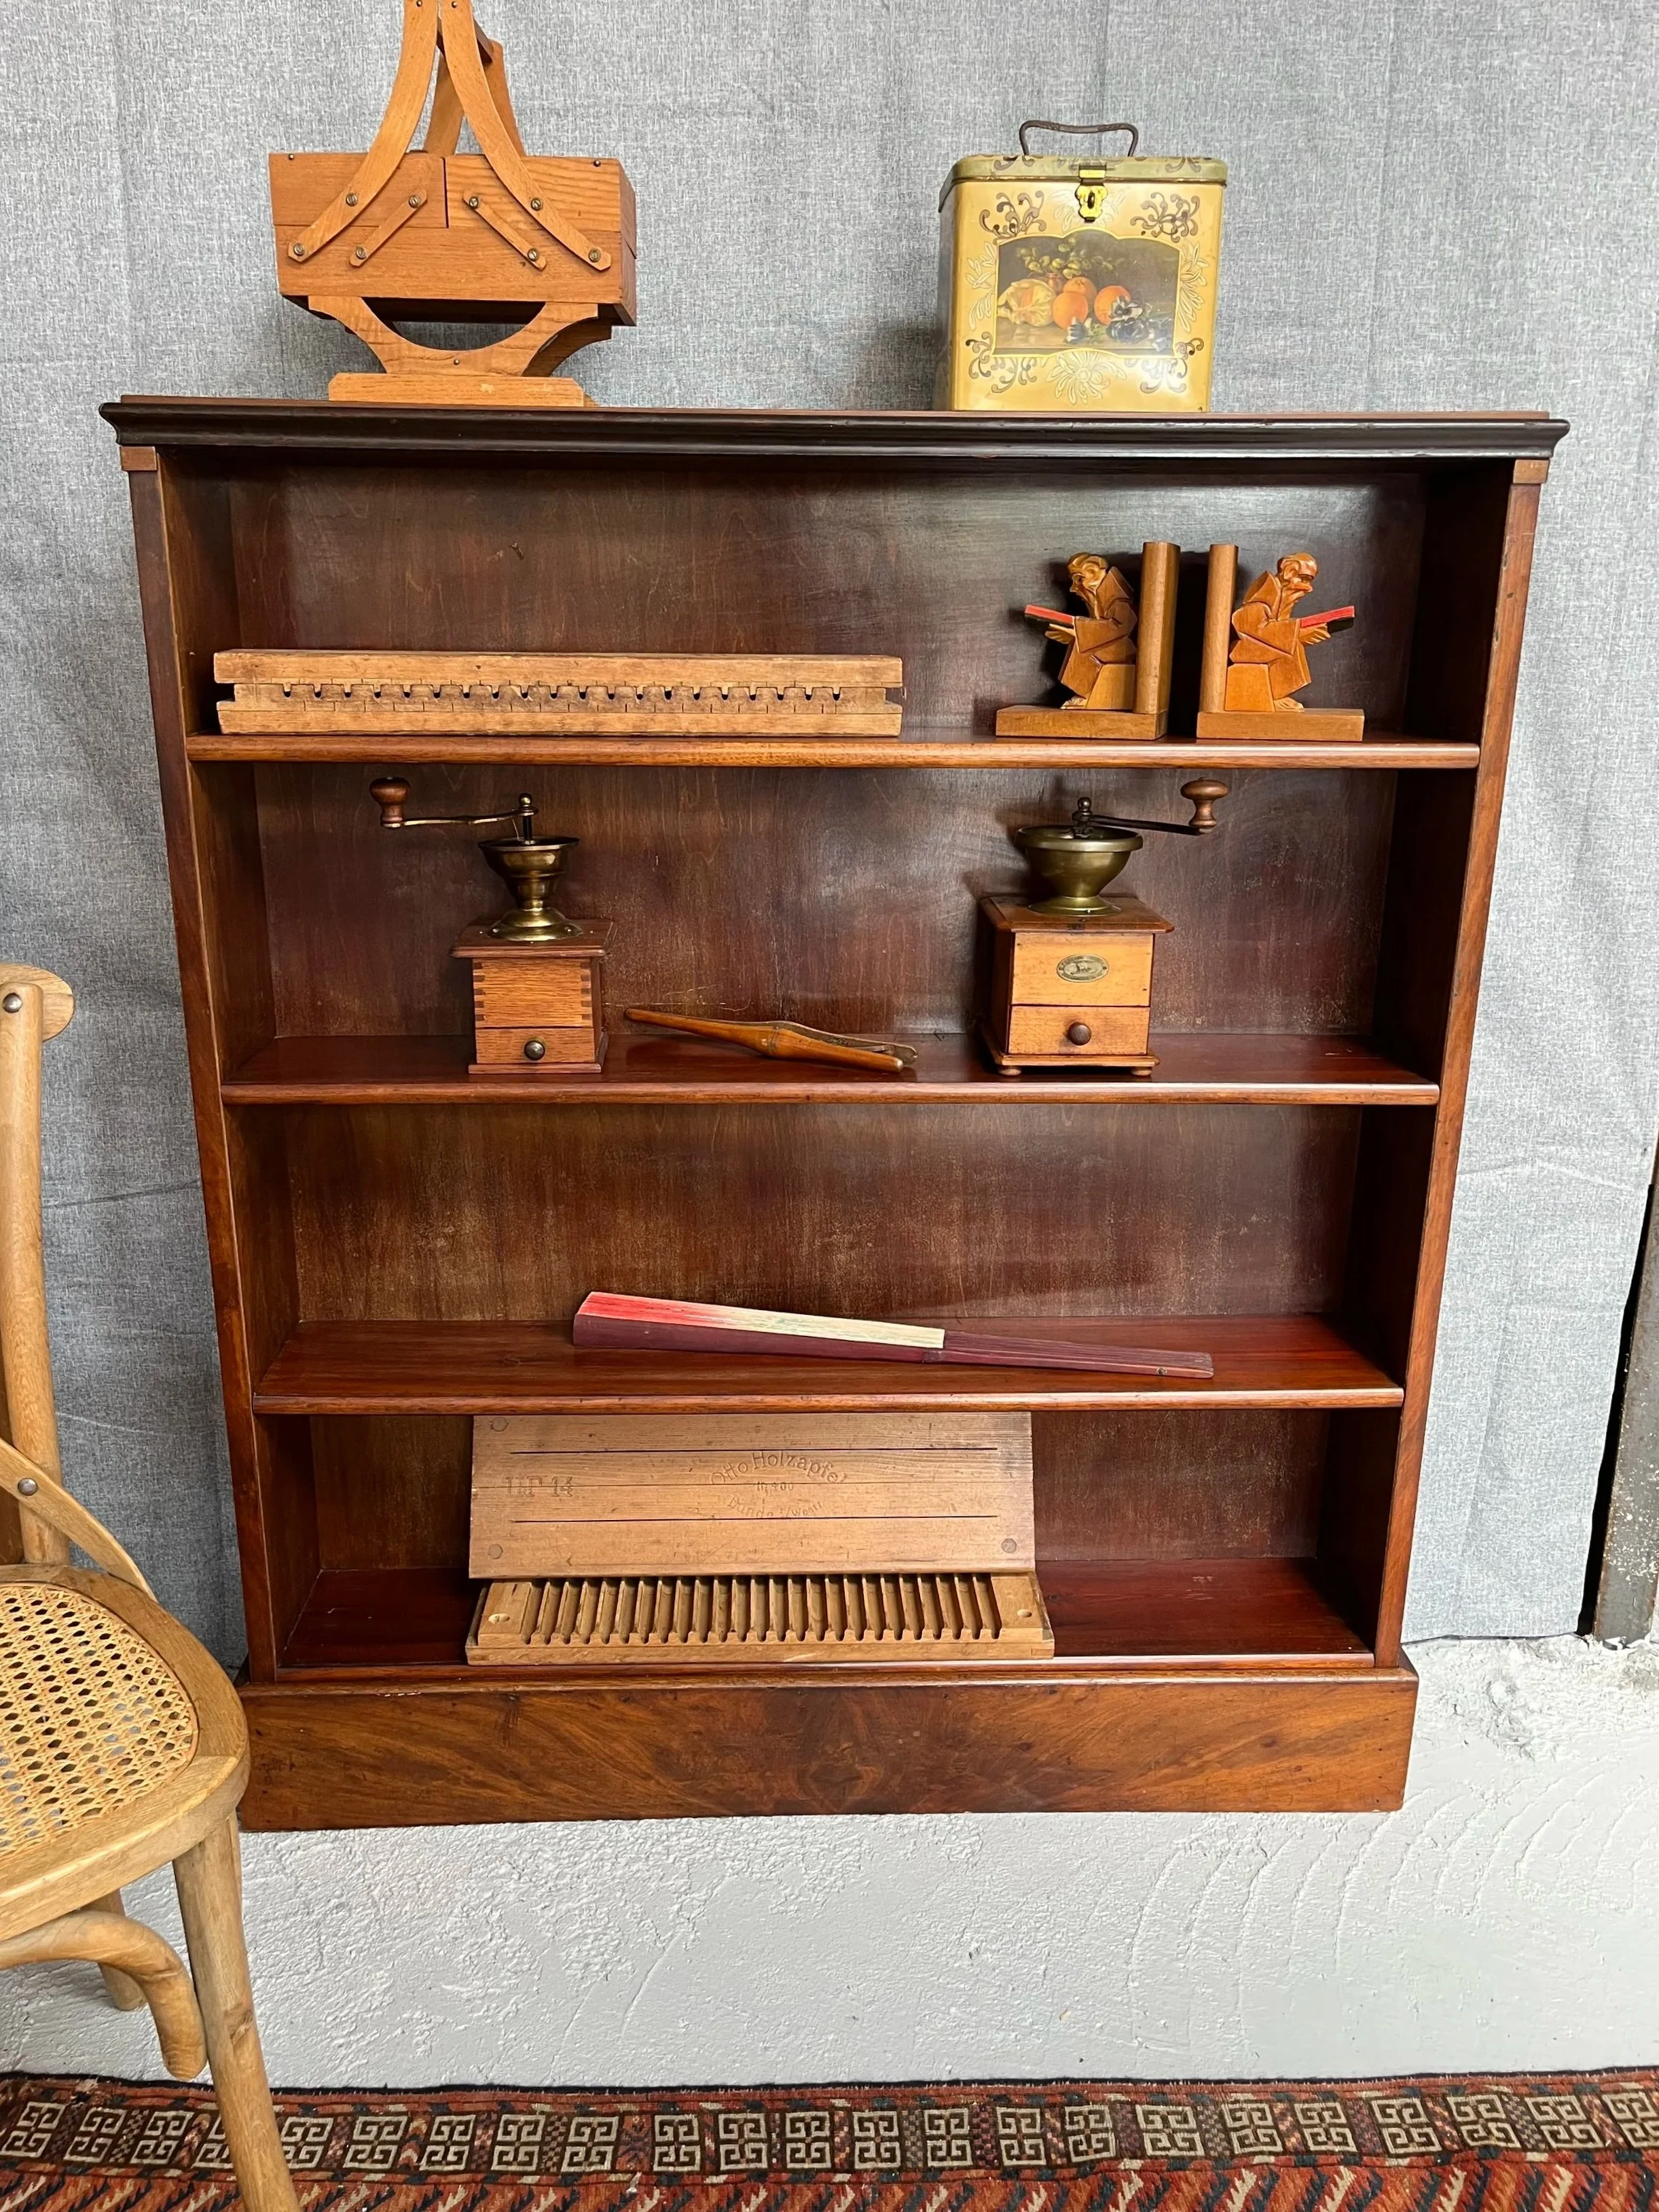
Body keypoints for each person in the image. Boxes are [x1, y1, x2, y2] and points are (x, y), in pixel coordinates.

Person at [1226, 551, 1330, 709]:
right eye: (1305, 579)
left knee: (1293, 642)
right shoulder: (1267, 590)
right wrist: (1297, 632)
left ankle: (1278, 696)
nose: (1309, 588)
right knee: (1292, 644)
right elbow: (1247, 625)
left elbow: (1276, 624)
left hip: (1258, 643)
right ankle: (1275, 696)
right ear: (1290, 573)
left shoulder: (1282, 593)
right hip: (1243, 648)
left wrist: (1299, 630)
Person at [1053, 552, 1137, 709]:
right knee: (1079, 642)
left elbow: (1123, 625)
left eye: (1079, 579)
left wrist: (1081, 630)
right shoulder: (1097, 595)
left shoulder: (1118, 597)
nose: (1073, 588)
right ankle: (1087, 693)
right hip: (1113, 642)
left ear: (1092, 573)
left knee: (1082, 647)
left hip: (1125, 648)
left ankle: (1087, 694)